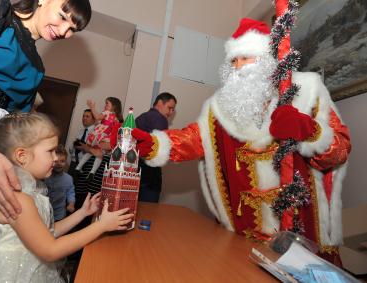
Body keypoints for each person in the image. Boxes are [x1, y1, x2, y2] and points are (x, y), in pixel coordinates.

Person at [133, 18, 351, 264]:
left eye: (245, 57)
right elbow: (194, 139)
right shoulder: (222, 109)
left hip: (301, 238)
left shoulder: (307, 92)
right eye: (233, 60)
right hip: (242, 237)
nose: (238, 67)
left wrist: (308, 131)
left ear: (267, 59)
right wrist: (154, 145)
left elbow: (340, 149)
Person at [0, 0, 92, 281]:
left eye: (73, 29)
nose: (64, 31)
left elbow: (14, 132)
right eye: (63, 16)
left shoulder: (36, 68)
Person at [0, 111, 133, 283]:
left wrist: (82, 213)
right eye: (51, 151)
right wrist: (101, 226)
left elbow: (47, 233)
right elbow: (50, 249)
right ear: (22, 156)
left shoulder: (30, 190)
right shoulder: (19, 199)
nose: (56, 158)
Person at [135, 92, 177, 202]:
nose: (171, 112)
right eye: (170, 108)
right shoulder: (159, 118)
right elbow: (160, 149)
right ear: (159, 103)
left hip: (134, 168)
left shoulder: (141, 117)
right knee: (149, 211)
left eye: (173, 110)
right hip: (149, 173)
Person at [75, 97, 123, 181]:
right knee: (98, 153)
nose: (105, 105)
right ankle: (92, 172)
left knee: (95, 152)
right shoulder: (117, 118)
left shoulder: (107, 113)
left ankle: (80, 168)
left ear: (114, 106)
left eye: (107, 103)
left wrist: (92, 107)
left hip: (101, 135)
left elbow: (97, 117)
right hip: (105, 136)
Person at [46, 144, 76, 221]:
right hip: (44, 213)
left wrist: (71, 204)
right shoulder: (44, 175)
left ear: (66, 161)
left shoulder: (68, 179)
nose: (59, 164)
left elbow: (70, 192)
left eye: (62, 161)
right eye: (56, 161)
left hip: (59, 214)